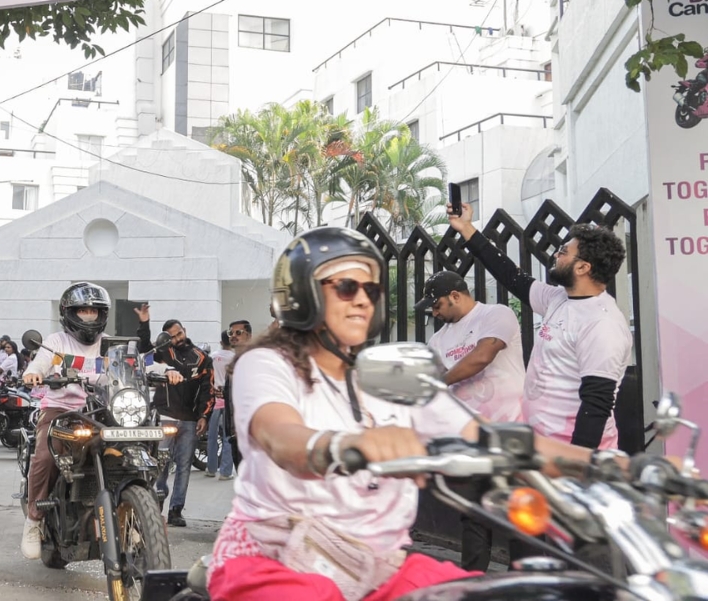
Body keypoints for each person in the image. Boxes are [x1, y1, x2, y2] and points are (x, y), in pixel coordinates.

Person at [209, 226, 627, 601]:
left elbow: (489, 439)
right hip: (276, 558)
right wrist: (347, 443)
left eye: (370, 290)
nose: (361, 301)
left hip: (377, 567)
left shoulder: (394, 375)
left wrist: (606, 465)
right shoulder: (268, 362)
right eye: (345, 287)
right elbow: (280, 435)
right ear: (301, 293)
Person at [449, 204, 631, 450]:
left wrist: (575, 467)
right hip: (542, 446)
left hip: (572, 454)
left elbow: (596, 404)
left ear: (582, 267)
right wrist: (466, 228)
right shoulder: (558, 299)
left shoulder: (602, 324)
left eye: (563, 252)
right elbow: (511, 276)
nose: (557, 255)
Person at [419, 270, 525, 572]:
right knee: (474, 514)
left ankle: (527, 582)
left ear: (455, 295)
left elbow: (483, 355)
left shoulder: (496, 315)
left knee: (519, 512)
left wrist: (441, 380)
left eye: (437, 305)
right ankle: (473, 581)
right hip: (469, 437)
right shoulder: (438, 339)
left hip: (510, 432)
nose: (435, 312)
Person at [20, 282, 111, 559]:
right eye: (83, 311)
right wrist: (34, 373)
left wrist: (167, 371)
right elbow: (40, 362)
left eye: (93, 312)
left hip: (100, 411)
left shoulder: (108, 343)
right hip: (60, 410)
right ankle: (34, 520)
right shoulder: (56, 341)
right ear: (69, 313)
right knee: (46, 457)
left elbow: (138, 363)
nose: (88, 317)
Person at [134, 307, 213, 527]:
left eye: (179, 333)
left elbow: (208, 389)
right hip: (165, 415)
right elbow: (145, 351)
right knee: (159, 461)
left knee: (184, 465)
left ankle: (176, 510)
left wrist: (204, 416)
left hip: (189, 418)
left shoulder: (203, 358)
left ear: (184, 331)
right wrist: (144, 323)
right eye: (172, 336)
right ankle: (155, 501)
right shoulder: (164, 351)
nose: (177, 338)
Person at [208, 321, 250, 481]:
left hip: (216, 401)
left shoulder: (212, 357)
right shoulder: (233, 359)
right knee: (227, 438)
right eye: (232, 333)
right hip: (226, 404)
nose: (234, 336)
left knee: (212, 437)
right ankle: (225, 471)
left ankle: (211, 468)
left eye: (238, 333)